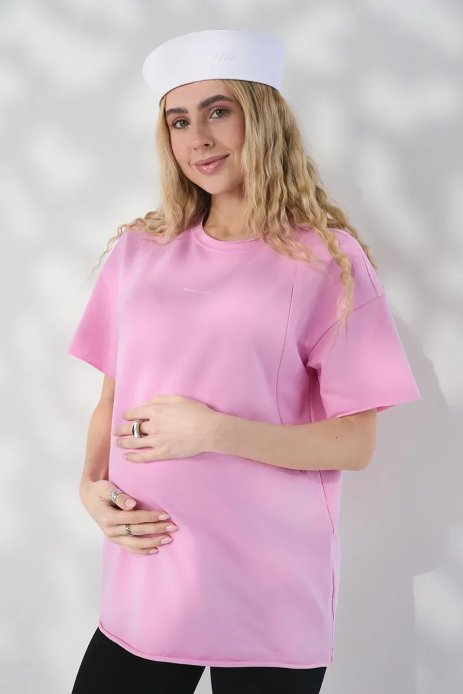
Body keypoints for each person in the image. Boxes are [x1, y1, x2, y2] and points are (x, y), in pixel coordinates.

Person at [68, 28, 421, 694]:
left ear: (262, 118)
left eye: (218, 111)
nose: (198, 138)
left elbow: (355, 443)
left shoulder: (325, 259)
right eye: (179, 121)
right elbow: (112, 397)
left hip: (268, 581)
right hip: (151, 570)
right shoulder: (140, 252)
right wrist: (90, 485)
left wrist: (212, 431)